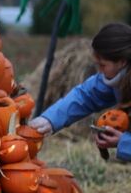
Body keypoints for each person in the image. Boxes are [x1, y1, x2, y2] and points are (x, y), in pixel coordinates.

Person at [29, 22, 131, 162]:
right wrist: (49, 120)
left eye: (103, 65)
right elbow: (86, 96)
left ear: (122, 62)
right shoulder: (115, 77)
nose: (99, 71)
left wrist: (124, 143)